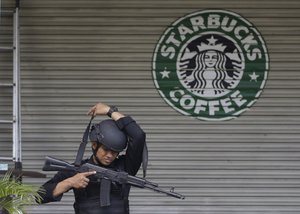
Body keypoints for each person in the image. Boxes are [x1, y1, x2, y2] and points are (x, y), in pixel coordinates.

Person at [38, 102, 146, 214]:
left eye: (115, 152)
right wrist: (69, 182)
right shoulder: (78, 169)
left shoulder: (125, 166)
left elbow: (138, 135)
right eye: (105, 149)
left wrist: (110, 111)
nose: (109, 155)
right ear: (94, 145)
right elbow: (40, 196)